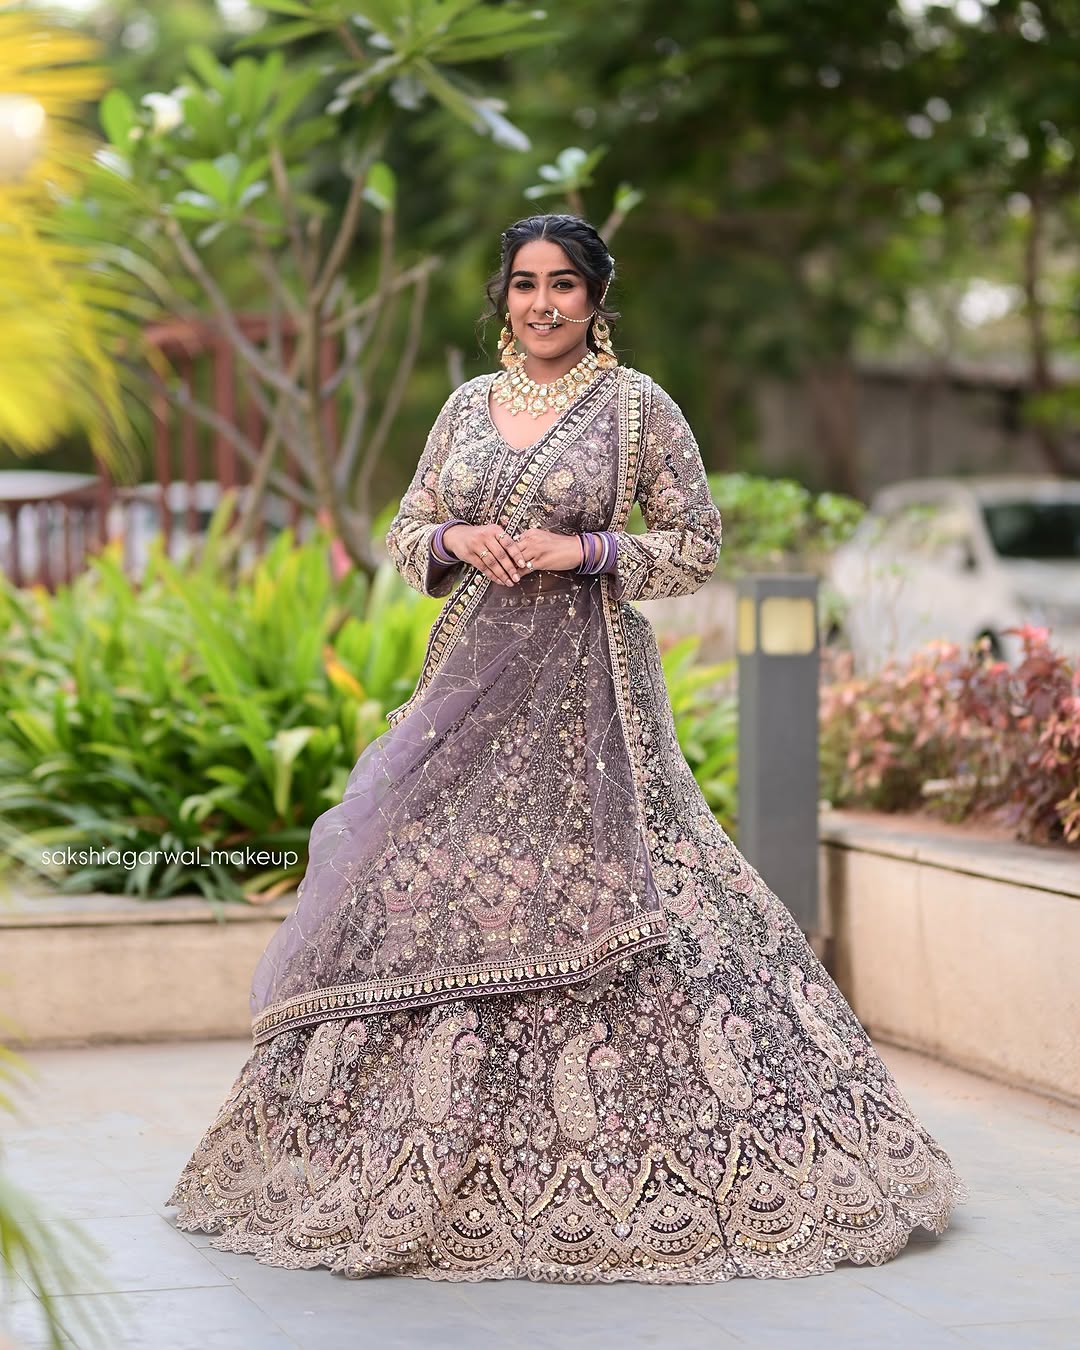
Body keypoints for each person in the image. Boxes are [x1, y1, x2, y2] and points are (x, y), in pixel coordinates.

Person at [166, 213, 967, 1283]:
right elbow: (405, 532)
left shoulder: (638, 409)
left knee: (631, 886)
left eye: (563, 285)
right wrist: (455, 538)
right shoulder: (464, 407)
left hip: (593, 698)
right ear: (503, 297)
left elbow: (695, 546)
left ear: (595, 298)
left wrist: (583, 548)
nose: (542, 303)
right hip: (471, 688)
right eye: (524, 284)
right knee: (425, 884)